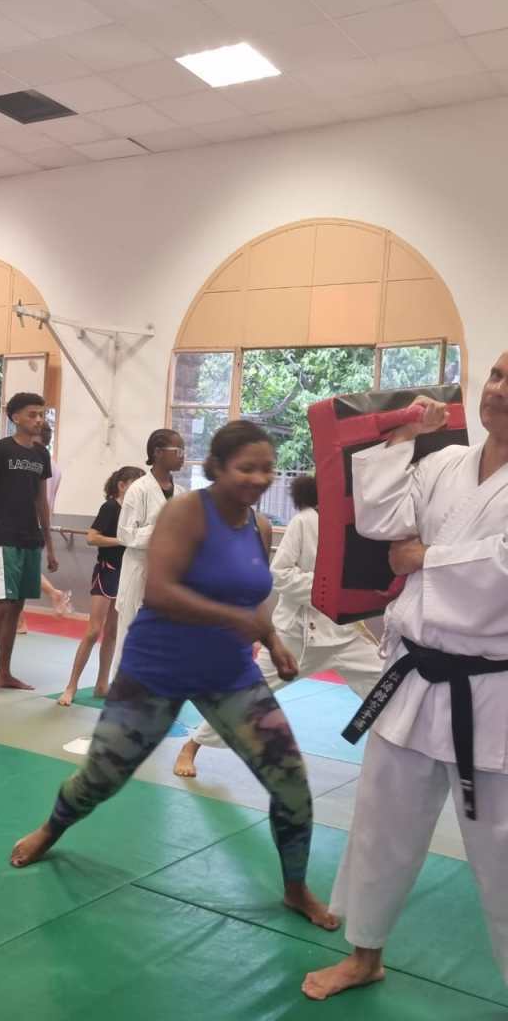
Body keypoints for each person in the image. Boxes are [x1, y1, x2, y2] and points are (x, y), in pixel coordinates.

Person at [10, 420, 339, 933]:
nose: (259, 478)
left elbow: (254, 596)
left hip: (228, 672)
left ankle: (295, 887)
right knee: (102, 777)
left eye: (267, 468)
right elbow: (161, 591)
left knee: (290, 780)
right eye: (247, 468)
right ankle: (52, 828)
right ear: (217, 468)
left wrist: (273, 640)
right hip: (157, 667)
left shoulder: (258, 526)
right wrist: (233, 620)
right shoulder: (185, 512)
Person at [302, 353, 508, 1001]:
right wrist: (402, 439)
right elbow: (383, 522)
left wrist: (428, 557)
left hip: (493, 691)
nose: (500, 390)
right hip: (414, 675)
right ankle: (365, 955)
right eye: (498, 374)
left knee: (502, 854)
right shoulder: (446, 464)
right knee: (381, 827)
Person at [174, 474, 382, 777]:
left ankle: (392, 761)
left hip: (344, 635)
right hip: (297, 636)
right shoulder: (304, 521)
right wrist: (329, 588)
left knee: (388, 691)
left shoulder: (357, 527)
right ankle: (192, 745)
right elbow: (280, 574)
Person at [0, 392, 58, 698]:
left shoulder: (41, 455)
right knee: (1, 606)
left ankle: (4, 672)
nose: (39, 420)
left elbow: (41, 501)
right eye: (33, 414)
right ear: (16, 418)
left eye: (41, 414)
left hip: (31, 538)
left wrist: (50, 545)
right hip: (5, 538)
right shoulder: (1, 450)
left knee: (18, 607)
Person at [58, 466, 145, 707]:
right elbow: (92, 537)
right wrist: (121, 540)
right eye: (136, 484)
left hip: (126, 574)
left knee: (113, 632)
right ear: (122, 485)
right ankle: (71, 685)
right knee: (93, 630)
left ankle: (102, 684)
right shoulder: (110, 507)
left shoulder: (135, 512)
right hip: (107, 571)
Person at [109, 428, 185, 678]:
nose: (183, 456)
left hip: (168, 576)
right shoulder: (139, 490)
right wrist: (163, 529)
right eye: (178, 450)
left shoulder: (181, 493)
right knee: (131, 637)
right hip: (139, 571)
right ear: (158, 452)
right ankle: (120, 693)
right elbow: (125, 535)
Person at [17, 420, 71, 634]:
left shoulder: (36, 463)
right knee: (23, 572)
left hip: (30, 522)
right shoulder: (54, 466)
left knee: (19, 571)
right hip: (39, 523)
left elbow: (37, 498)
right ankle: (20, 620)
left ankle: (52, 594)